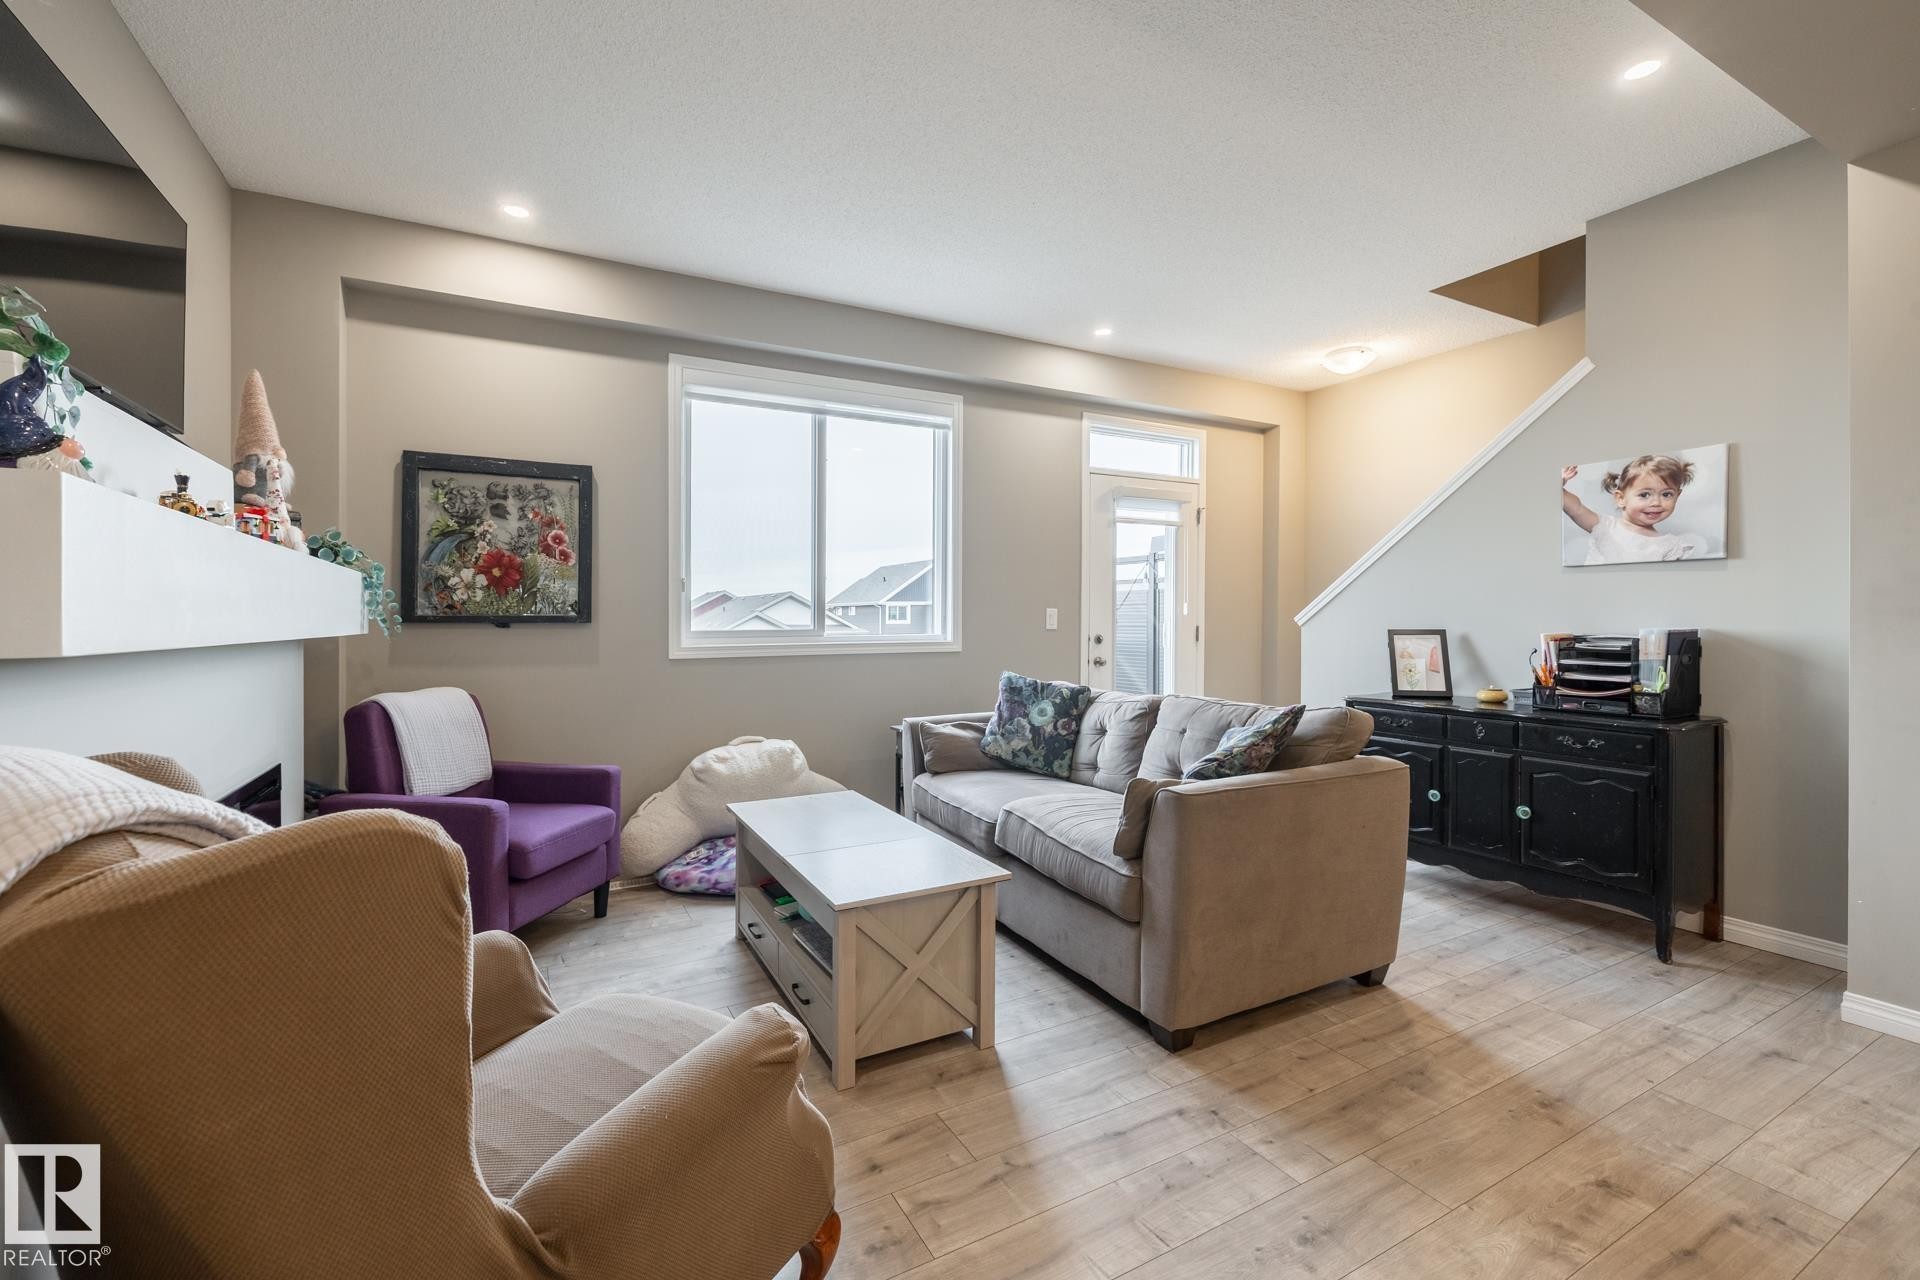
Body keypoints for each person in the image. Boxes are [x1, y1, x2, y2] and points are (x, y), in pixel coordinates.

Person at [1561, 454, 1704, 564]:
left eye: (1666, 494)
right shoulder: (1605, 526)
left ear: (1677, 496)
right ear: (1621, 498)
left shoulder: (1671, 546)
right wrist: (1558, 486)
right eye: (1644, 495)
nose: (1656, 503)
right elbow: (1576, 509)